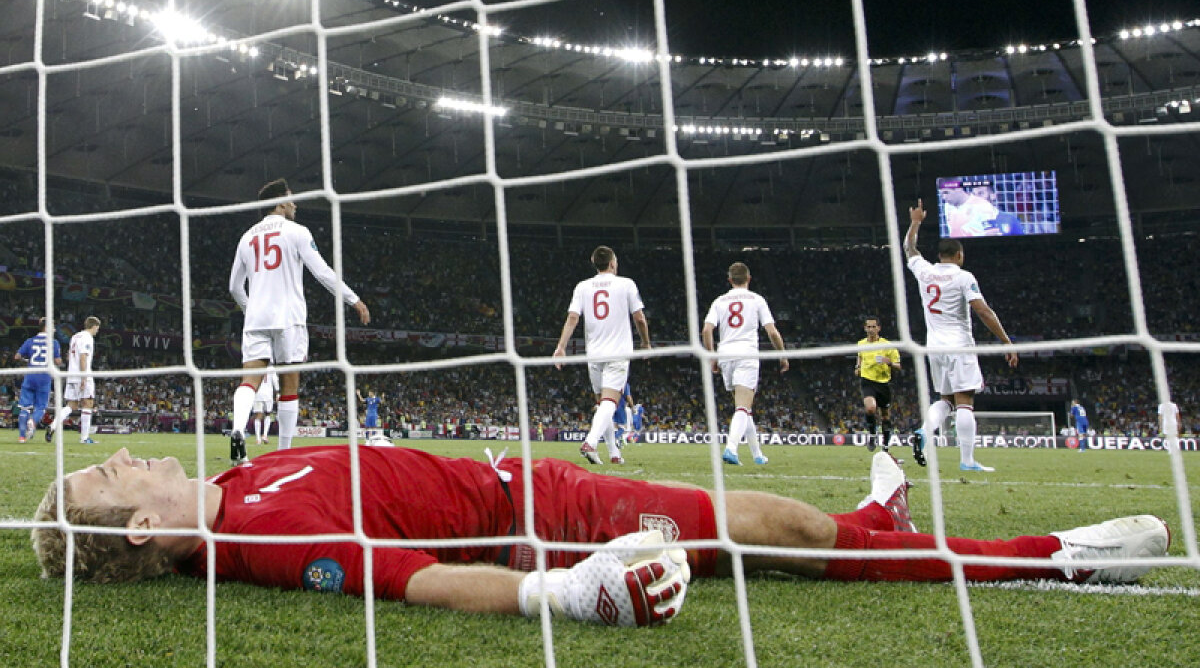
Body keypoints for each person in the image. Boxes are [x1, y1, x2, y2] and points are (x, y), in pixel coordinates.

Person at [33, 447, 1171, 627]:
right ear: (142, 527)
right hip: (546, 523)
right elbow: (415, 582)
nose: (126, 454)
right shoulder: (266, 539)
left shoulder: (238, 480)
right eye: (111, 474)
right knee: (785, 526)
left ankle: (883, 520)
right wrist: (565, 590)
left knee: (797, 528)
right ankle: (1056, 557)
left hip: (538, 476)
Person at [228, 178, 371, 465]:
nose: (295, 204)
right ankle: (283, 453)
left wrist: (250, 308)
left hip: (256, 318)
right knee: (289, 383)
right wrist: (353, 299)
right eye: (291, 199)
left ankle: (238, 430)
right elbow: (323, 272)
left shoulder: (246, 237)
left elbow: (234, 287)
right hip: (288, 317)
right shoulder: (297, 232)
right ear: (280, 203)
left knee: (249, 381)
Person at [904, 200, 1018, 472]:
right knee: (965, 401)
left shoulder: (925, 272)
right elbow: (983, 311)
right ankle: (967, 461)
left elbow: (909, 249)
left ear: (940, 255)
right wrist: (1006, 341)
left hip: (934, 347)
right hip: (959, 345)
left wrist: (915, 223)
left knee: (946, 399)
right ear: (958, 255)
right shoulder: (964, 277)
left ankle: (924, 431)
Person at [553, 246, 650, 465]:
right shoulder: (626, 284)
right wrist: (645, 343)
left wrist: (561, 347)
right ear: (613, 263)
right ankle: (590, 442)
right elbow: (640, 318)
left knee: (603, 404)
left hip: (594, 354)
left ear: (594, 263)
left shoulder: (582, 286)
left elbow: (572, 318)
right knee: (609, 402)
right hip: (617, 353)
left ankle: (614, 454)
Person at [702, 262, 789, 466]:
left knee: (744, 408)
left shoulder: (720, 301)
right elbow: (772, 332)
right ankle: (731, 448)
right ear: (749, 279)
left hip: (725, 355)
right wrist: (783, 355)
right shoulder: (757, 299)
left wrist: (713, 357)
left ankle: (757, 455)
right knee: (742, 407)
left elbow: (706, 330)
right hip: (746, 354)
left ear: (730, 280)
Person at [48, 316, 102, 444]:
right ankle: (84, 438)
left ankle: (53, 425)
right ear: (94, 326)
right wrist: (84, 377)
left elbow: (69, 356)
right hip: (82, 374)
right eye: (97, 328)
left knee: (71, 405)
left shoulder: (75, 336)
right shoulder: (87, 338)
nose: (97, 331)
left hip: (71, 374)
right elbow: (83, 357)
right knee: (88, 403)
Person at [855, 317, 902, 453]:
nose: (871, 329)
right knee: (870, 408)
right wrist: (858, 367)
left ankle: (885, 445)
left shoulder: (887, 345)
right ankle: (872, 434)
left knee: (885, 416)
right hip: (867, 381)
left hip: (883, 383)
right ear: (865, 328)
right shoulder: (861, 344)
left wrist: (889, 362)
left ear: (879, 328)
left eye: (873, 327)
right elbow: (860, 356)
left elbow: (898, 366)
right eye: (868, 327)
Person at [11, 318, 63, 443]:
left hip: (30, 376)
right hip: (44, 377)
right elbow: (58, 361)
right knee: (41, 407)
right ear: (46, 328)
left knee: (24, 408)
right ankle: (33, 421)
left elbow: (17, 356)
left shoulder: (30, 341)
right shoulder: (53, 342)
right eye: (53, 327)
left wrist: (27, 360)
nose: (54, 330)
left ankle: (22, 437)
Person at [251, 366, 279, 444]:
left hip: (257, 395)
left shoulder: (256, 366)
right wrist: (277, 393)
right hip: (268, 395)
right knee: (268, 414)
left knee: (258, 416)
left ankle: (258, 439)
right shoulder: (271, 368)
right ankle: (265, 435)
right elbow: (275, 381)